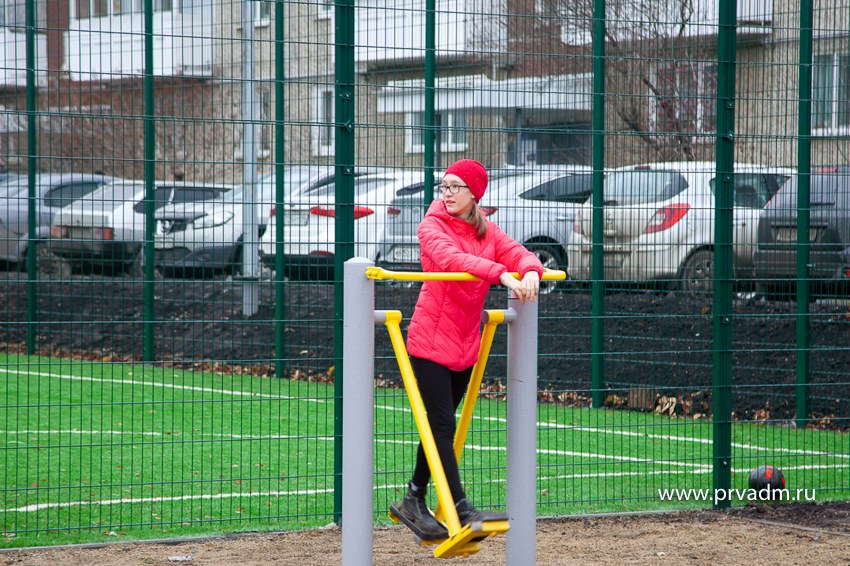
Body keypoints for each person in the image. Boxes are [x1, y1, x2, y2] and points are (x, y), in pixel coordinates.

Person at [390, 159, 544, 540]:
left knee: (440, 427)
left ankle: (413, 498)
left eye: (456, 187)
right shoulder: (431, 226)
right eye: (445, 186)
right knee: (442, 424)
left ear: (475, 193)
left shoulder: (487, 231)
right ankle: (460, 506)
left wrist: (528, 272)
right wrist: (500, 273)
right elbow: (451, 259)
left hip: (464, 345)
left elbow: (520, 253)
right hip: (429, 341)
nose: (448, 193)